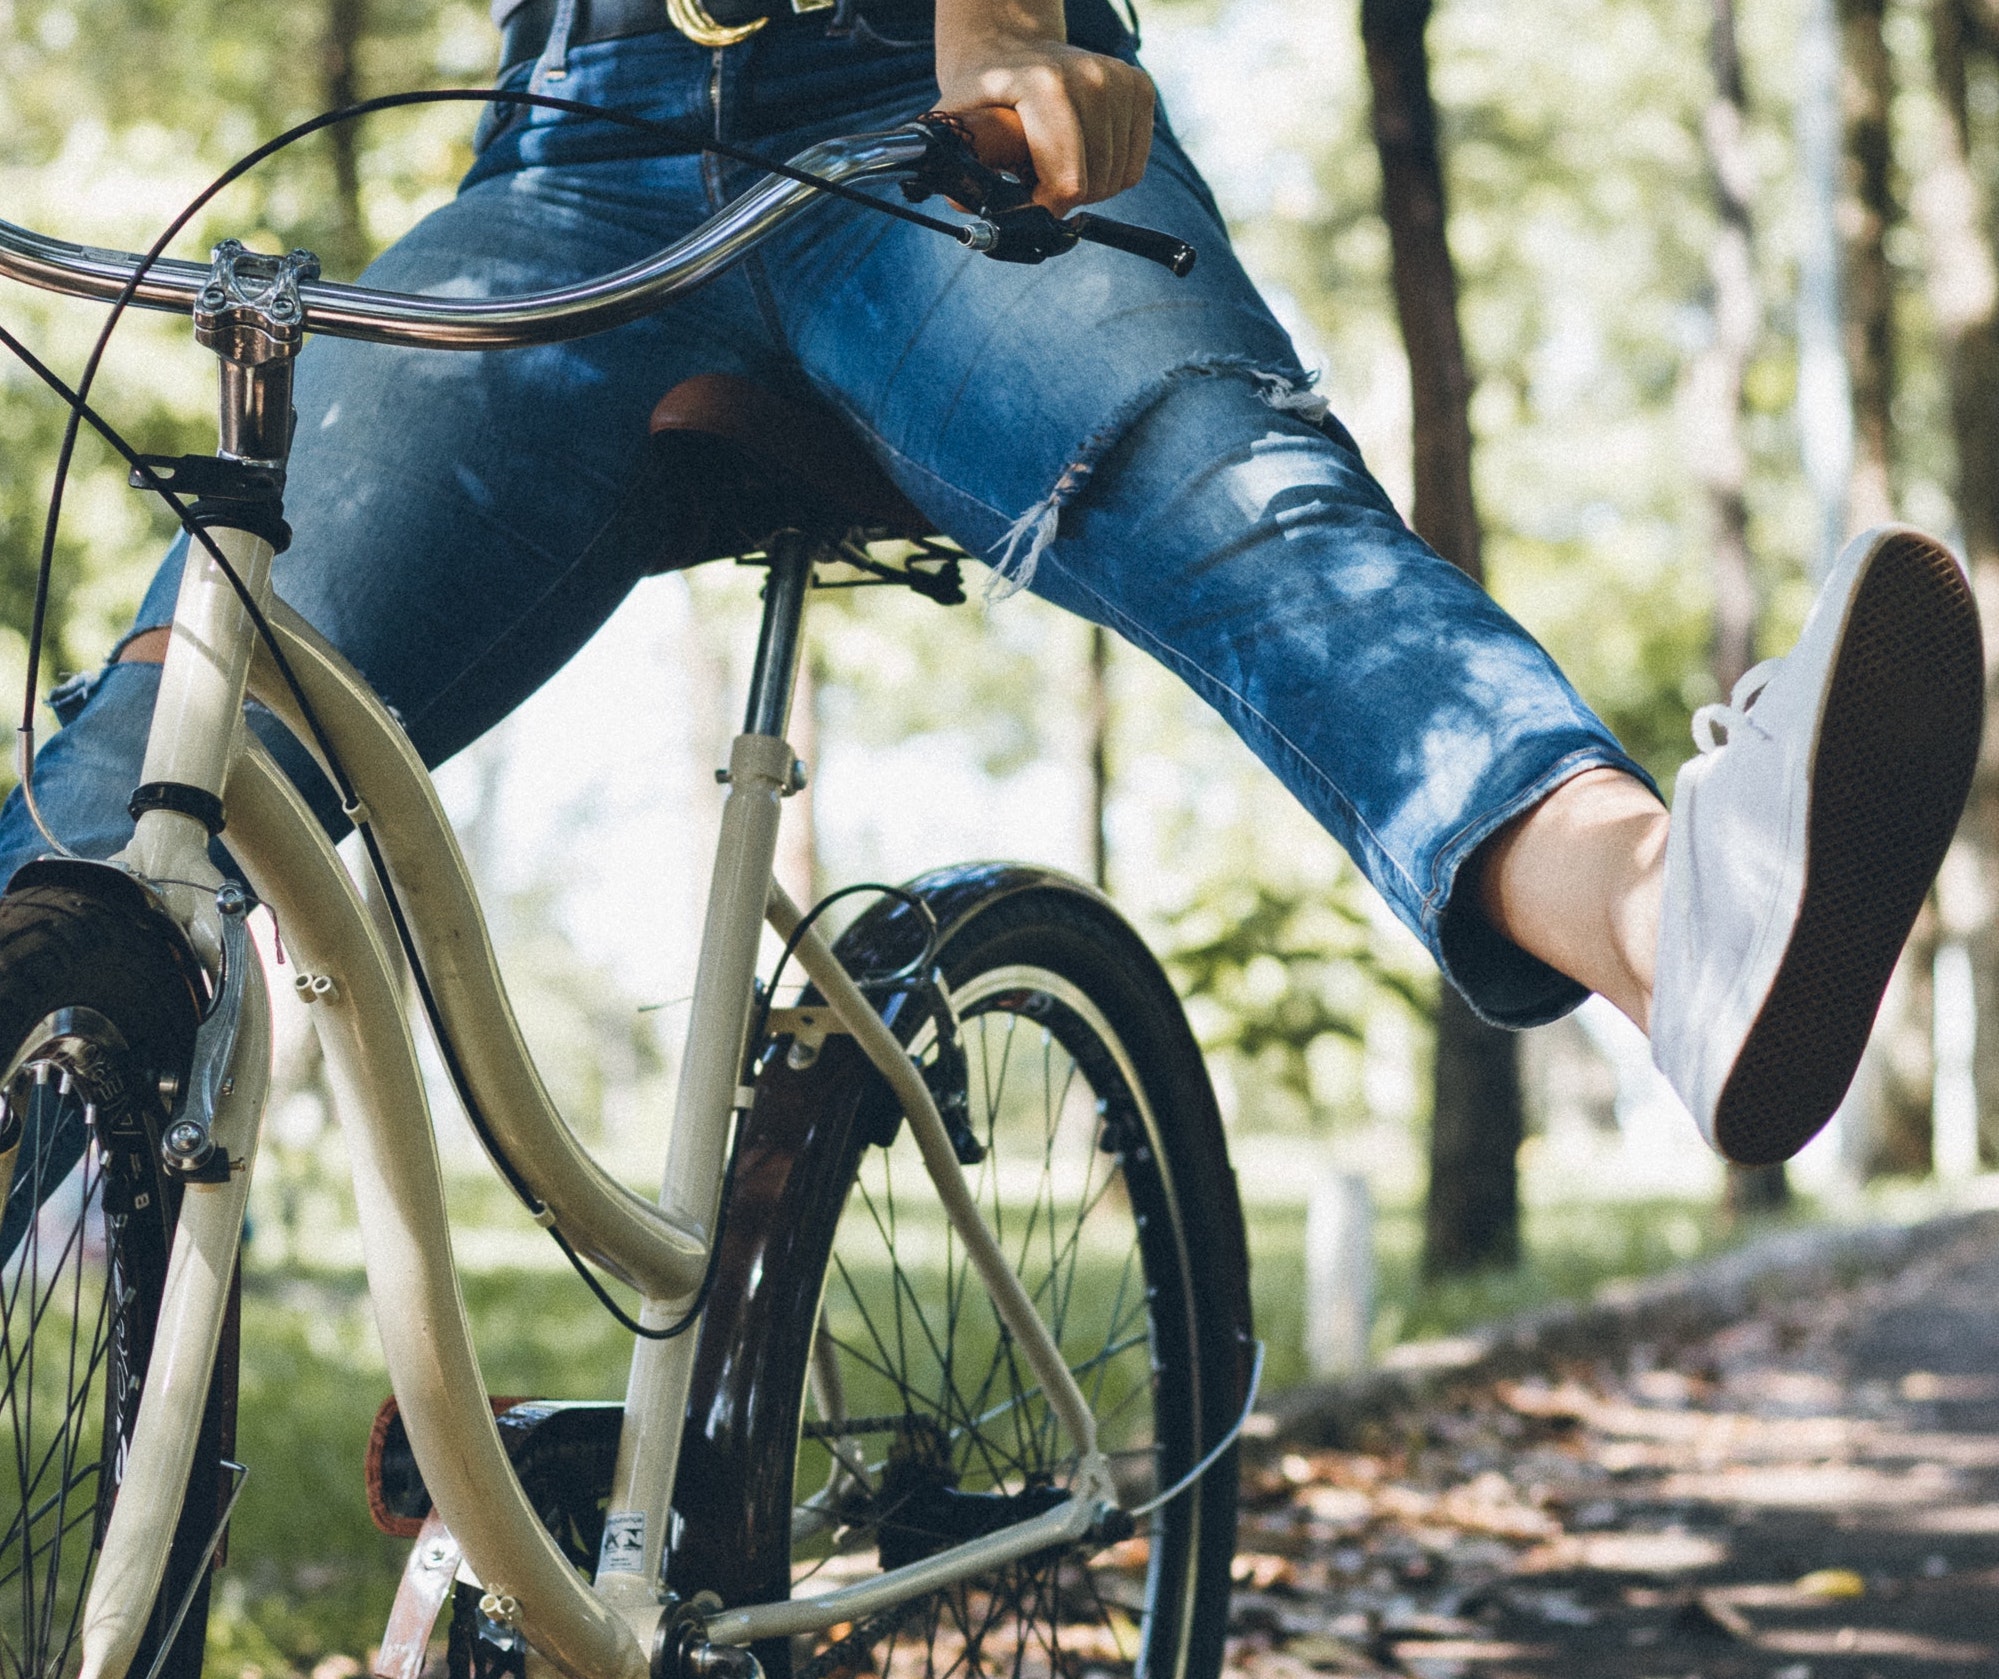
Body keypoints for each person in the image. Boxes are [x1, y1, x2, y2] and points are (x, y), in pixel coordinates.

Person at [1, 0, 1981, 1169]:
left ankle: (1671, 916)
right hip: (561, 156)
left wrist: (1008, 23)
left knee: (1223, 487)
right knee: (161, 749)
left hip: (928, 105)